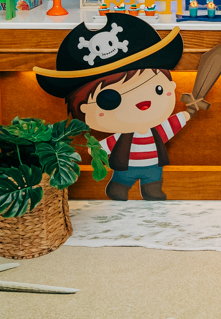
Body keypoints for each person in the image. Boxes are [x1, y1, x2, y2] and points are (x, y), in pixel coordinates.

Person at [34, 13, 190, 201]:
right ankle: (119, 187)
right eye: (110, 99)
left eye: (158, 89)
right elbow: (106, 145)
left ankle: (151, 189)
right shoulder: (121, 137)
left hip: (153, 167)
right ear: (84, 108)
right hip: (124, 169)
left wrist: (187, 114)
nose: (140, 103)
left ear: (170, 86)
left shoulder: (156, 132)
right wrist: (95, 149)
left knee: (153, 182)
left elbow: (170, 125)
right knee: (120, 182)